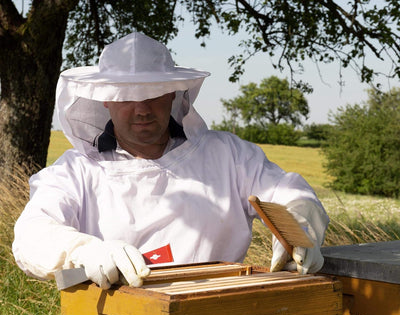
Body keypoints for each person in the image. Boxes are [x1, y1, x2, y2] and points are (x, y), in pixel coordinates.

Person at [12, 32, 329, 290]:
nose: (142, 109)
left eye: (154, 94)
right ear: (105, 99)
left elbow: (290, 193)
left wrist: (299, 232)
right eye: (126, 97)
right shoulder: (74, 172)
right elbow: (32, 234)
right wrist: (84, 251)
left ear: (174, 95)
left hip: (220, 314)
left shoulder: (229, 155)